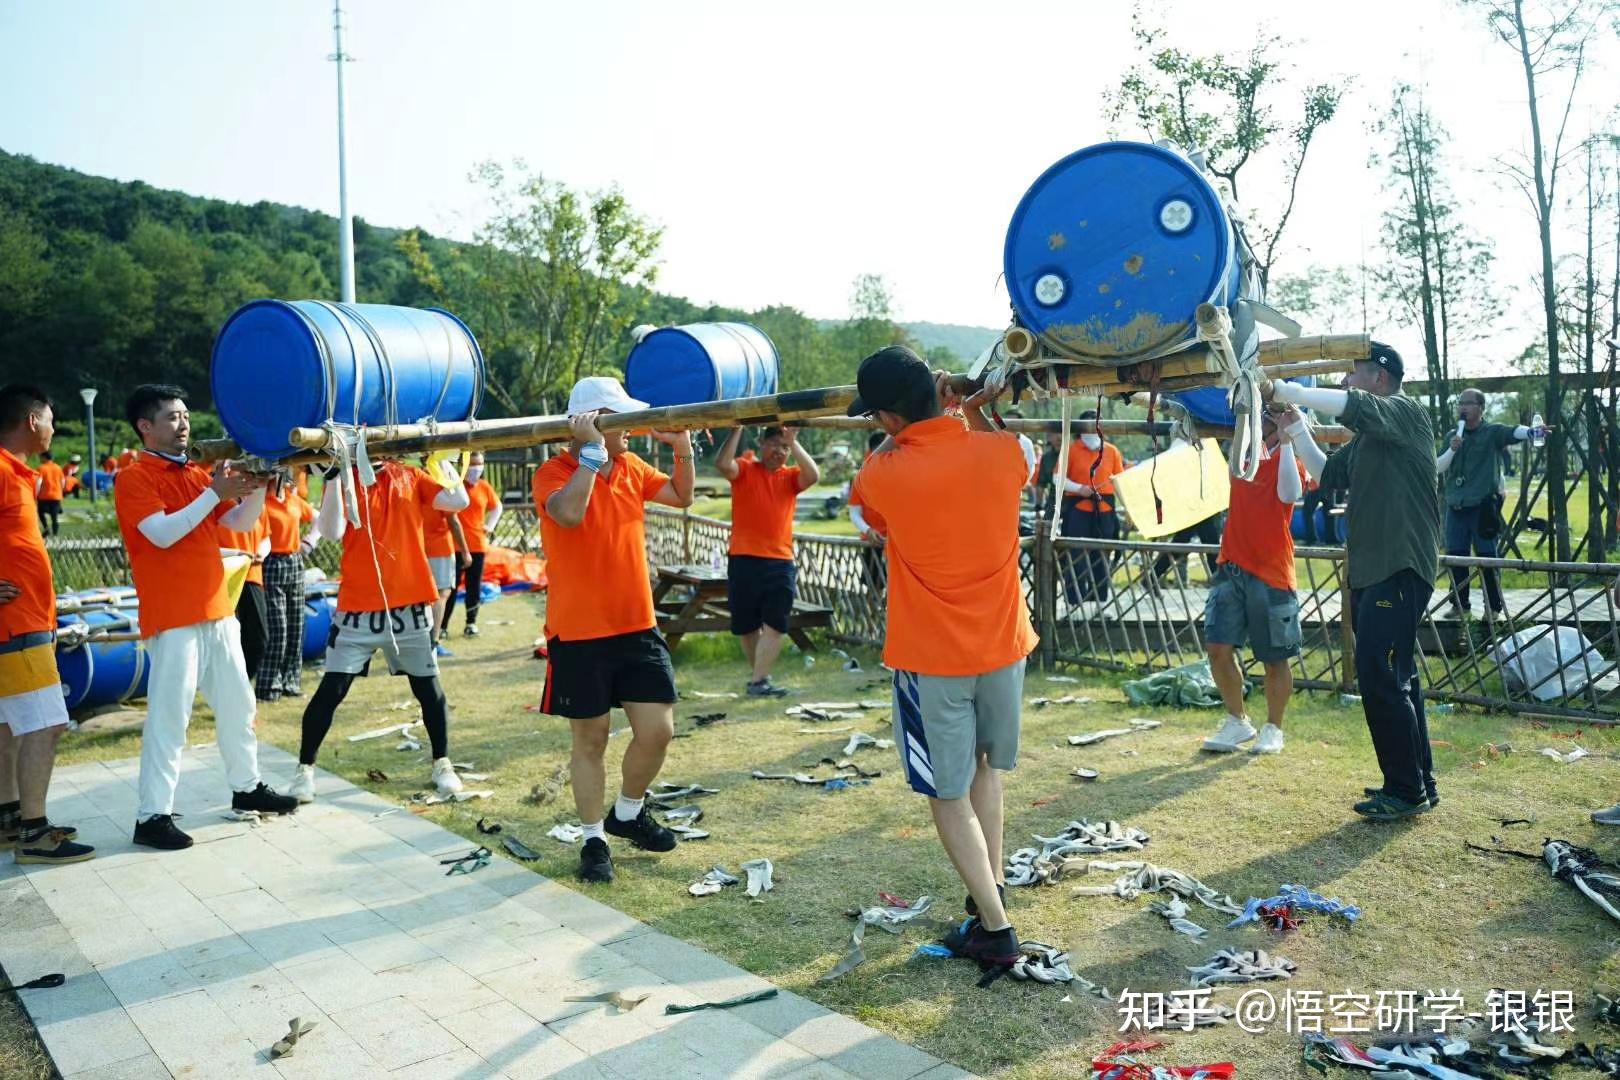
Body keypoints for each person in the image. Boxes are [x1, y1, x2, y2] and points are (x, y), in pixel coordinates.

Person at [847, 346, 1037, 972]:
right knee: (986, 769)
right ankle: (991, 893)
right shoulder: (1006, 453)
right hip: (1004, 645)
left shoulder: (885, 472)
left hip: (933, 657)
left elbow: (867, 507)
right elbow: (1012, 457)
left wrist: (908, 426)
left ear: (886, 419)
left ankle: (996, 927)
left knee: (945, 789)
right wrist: (969, 411)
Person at [113, 384, 299, 850]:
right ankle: (151, 816)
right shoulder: (134, 476)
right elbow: (161, 534)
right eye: (172, 417)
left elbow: (236, 524)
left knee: (240, 706)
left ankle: (247, 787)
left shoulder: (194, 473)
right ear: (145, 427)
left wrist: (259, 486)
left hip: (218, 608)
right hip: (174, 617)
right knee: (170, 719)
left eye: (186, 416)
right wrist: (214, 493)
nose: (184, 425)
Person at [1267, 343, 1442, 820]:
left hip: (1399, 565)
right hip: (1374, 569)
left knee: (1379, 674)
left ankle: (1404, 790)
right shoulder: (1369, 438)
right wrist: (1296, 427)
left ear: (1381, 379)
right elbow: (1327, 474)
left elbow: (1354, 406)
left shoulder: (1405, 412)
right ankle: (1416, 782)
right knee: (1396, 675)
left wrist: (1289, 389)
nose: (1347, 383)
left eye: (1355, 374)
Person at [533, 376, 694, 884]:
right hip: (579, 632)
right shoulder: (553, 472)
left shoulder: (631, 466)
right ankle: (593, 840)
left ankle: (626, 812)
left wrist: (683, 449)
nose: (630, 427)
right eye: (618, 417)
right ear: (593, 420)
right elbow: (569, 515)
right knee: (591, 741)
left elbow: (681, 496)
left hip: (635, 625)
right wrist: (590, 459)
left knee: (658, 731)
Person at [288, 455, 471, 803]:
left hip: (410, 602)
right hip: (358, 606)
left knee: (428, 688)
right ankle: (304, 770)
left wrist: (439, 457)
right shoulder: (346, 476)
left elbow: (458, 500)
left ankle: (442, 762)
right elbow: (331, 531)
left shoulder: (410, 475)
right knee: (332, 688)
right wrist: (331, 478)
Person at [0, 385, 95, 865]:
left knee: (9, 726)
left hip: (23, 624)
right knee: (47, 724)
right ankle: (35, 833)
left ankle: (10, 816)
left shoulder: (19, 474)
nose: (54, 429)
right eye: (52, 420)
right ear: (33, 421)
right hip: (15, 629)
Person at [1201, 411, 1307, 755]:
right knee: (1218, 648)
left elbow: (1290, 494)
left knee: (1274, 656)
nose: (1266, 416)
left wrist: (1290, 442)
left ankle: (1274, 727)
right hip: (1231, 564)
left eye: (1273, 413)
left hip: (1272, 570)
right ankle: (1237, 722)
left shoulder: (1293, 458)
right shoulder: (1244, 452)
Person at [715, 425, 819, 696]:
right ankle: (759, 679)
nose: (779, 451)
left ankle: (758, 681)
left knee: (776, 623)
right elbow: (722, 464)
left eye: (783, 447)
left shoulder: (791, 477)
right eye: (774, 444)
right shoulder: (746, 469)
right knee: (747, 626)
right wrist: (736, 427)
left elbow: (814, 475)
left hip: (780, 561)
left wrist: (793, 442)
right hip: (743, 559)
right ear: (761, 443)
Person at [1435, 388, 1534, 619]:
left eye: (1468, 403)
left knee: (1487, 558)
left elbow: (1513, 432)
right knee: (1456, 557)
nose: (1463, 408)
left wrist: (1531, 431)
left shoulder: (1491, 433)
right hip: (1455, 507)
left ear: (1481, 408)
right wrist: (1452, 448)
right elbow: (1438, 467)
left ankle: (1493, 607)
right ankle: (1459, 605)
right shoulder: (1453, 435)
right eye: (1460, 403)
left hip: (1482, 507)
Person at [259, 472, 317, 700]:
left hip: (294, 561)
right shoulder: (262, 501)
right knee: (278, 629)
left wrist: (310, 541)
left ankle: (290, 682)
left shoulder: (293, 501)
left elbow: (318, 519)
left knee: (296, 625)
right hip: (271, 562)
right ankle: (269, 685)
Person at [1061, 410, 1126, 607]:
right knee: (1076, 555)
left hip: (1105, 510)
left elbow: (1119, 481)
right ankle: (1073, 600)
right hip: (1078, 509)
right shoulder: (1070, 449)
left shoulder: (1112, 451)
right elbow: (1059, 479)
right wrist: (1079, 489)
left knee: (1102, 555)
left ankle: (1100, 600)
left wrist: (1129, 508)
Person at [443, 452, 501, 640]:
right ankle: (443, 626)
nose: (477, 468)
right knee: (451, 588)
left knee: (473, 586)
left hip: (478, 544)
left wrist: (490, 526)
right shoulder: (455, 486)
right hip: (455, 545)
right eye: (473, 464)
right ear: (463, 466)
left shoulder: (484, 487)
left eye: (480, 464)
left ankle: (471, 622)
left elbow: (497, 507)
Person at [217, 502, 270, 696]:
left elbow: (265, 537)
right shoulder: (217, 501)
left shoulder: (257, 503)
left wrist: (261, 554)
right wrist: (236, 554)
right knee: (226, 641)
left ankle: (239, 689)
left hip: (251, 576)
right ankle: (233, 694)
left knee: (258, 639)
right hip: (223, 578)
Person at [420, 459, 472, 659]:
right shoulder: (438, 484)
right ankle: (433, 641)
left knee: (423, 597)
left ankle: (422, 640)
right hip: (440, 548)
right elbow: (454, 521)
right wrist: (465, 551)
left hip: (419, 547)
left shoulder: (416, 480)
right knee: (441, 595)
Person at [35, 450, 64, 536]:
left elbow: (39, 482)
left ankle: (46, 528)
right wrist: (60, 491)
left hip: (44, 496)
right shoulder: (58, 468)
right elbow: (62, 481)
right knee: (54, 517)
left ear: (44, 457)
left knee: (40, 512)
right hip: (56, 495)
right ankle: (55, 534)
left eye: (41, 457)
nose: (40, 458)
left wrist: (36, 493)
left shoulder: (41, 468)